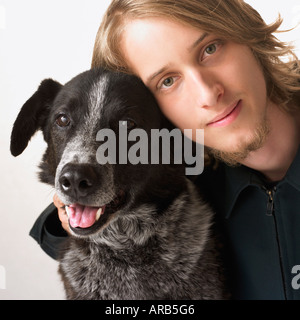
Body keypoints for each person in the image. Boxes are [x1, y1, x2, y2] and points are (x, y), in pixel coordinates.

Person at [30, 0, 300, 299]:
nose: (208, 93)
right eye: (168, 81)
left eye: (211, 49)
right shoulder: (191, 182)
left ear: (247, 29)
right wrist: (69, 213)